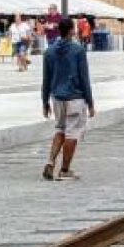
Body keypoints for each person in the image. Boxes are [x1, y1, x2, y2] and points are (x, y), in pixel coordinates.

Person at [41, 17, 94, 180]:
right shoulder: (78, 50)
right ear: (71, 30)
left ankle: (50, 162)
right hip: (75, 98)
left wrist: (44, 102)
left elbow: (46, 79)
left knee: (60, 129)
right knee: (72, 133)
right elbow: (84, 78)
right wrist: (90, 102)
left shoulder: (49, 52)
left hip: (57, 98)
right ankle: (64, 170)